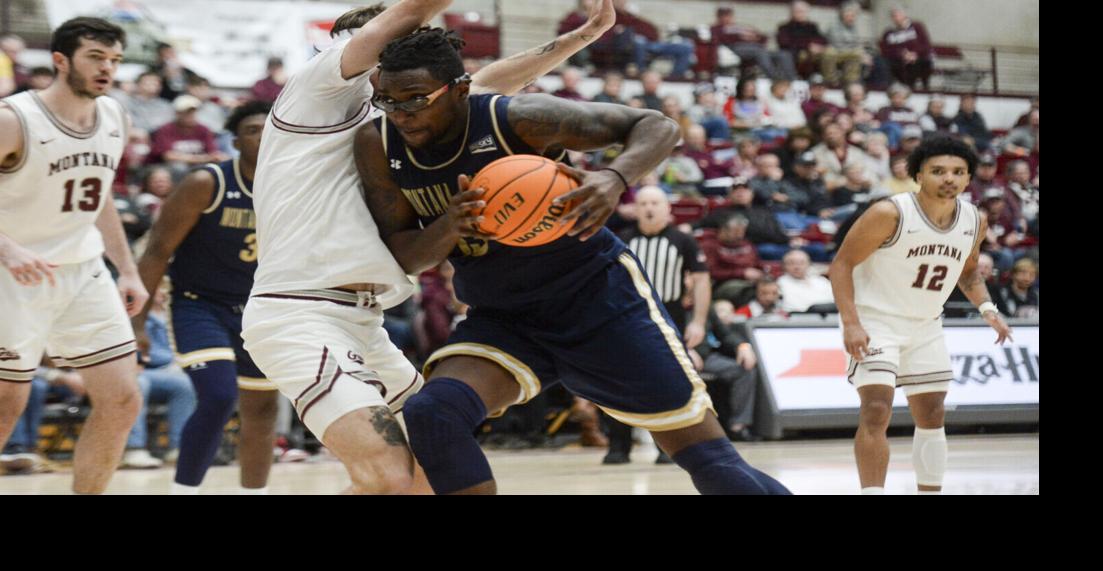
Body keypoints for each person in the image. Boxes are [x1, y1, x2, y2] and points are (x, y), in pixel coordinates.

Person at [352, 28, 790, 495]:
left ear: (460, 89)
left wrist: (613, 178)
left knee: (708, 460)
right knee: (432, 412)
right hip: (504, 317)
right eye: (388, 101)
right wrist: (449, 226)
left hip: (599, 302)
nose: (400, 113)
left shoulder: (519, 119)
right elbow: (402, 254)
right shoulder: (378, 145)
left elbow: (657, 126)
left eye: (415, 99)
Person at [241, 0, 618, 495]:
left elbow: (489, 82)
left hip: (363, 320)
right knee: (390, 475)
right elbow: (402, 17)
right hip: (299, 314)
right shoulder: (318, 89)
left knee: (429, 473)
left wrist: (582, 37)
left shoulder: (399, 112)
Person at [0, 17, 151, 494]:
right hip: (13, 274)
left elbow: (99, 195)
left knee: (123, 399)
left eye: (115, 61)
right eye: (96, 58)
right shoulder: (13, 119)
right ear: (60, 61)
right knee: (6, 401)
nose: (107, 69)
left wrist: (127, 269)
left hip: (83, 270)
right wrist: (7, 248)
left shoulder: (115, 117)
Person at [827, 133, 1011, 494]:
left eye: (958, 172)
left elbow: (968, 270)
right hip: (876, 321)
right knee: (877, 409)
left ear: (969, 178)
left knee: (932, 414)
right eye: (938, 171)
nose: (949, 179)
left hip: (926, 324)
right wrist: (850, 323)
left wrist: (988, 309)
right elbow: (841, 265)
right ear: (918, 175)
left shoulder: (975, 220)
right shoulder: (889, 212)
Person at [131, 100, 281, 494]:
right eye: (252, 129)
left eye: (270, 127)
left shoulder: (290, 189)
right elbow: (157, 252)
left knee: (263, 410)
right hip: (200, 305)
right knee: (217, 396)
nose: (263, 135)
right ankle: (184, 490)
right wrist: (137, 324)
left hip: (259, 311)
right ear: (233, 140)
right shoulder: (207, 183)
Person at [605, 186, 710, 464]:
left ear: (667, 208)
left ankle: (669, 449)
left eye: (655, 202)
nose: (649, 208)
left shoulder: (683, 240)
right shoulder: (622, 240)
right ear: (635, 209)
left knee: (666, 383)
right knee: (619, 384)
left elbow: (700, 281)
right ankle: (618, 447)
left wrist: (698, 321)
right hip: (625, 321)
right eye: (644, 203)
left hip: (669, 319)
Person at [122, 289, 198, 468]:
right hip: (142, 370)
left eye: (166, 288)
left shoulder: (172, 313)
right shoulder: (135, 316)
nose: (163, 292)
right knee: (139, 383)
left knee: (185, 384)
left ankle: (179, 448)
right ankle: (134, 449)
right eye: (158, 288)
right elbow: (146, 353)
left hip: (169, 372)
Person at [690, 306, 758, 441]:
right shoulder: (670, 306)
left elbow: (725, 334)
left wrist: (742, 346)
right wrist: (684, 349)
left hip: (706, 358)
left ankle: (738, 426)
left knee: (744, 369)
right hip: (676, 357)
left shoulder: (706, 307)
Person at [712, 6, 796, 81]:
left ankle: (791, 79)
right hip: (735, 49)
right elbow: (721, 39)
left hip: (757, 47)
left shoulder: (740, 26)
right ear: (719, 17)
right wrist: (741, 37)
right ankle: (774, 78)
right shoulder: (717, 28)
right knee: (759, 51)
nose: (727, 18)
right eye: (723, 15)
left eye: (729, 15)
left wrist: (755, 37)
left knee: (784, 54)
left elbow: (763, 38)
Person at [148, 94, 226, 171]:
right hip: (170, 168)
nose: (190, 115)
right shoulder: (166, 129)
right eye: (186, 112)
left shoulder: (203, 129)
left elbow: (213, 153)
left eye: (193, 112)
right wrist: (202, 159)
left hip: (198, 165)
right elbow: (168, 156)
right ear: (177, 113)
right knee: (178, 167)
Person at [879, 6, 933, 91]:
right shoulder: (889, 33)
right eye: (893, 16)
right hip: (897, 60)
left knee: (922, 62)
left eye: (898, 15)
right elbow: (885, 50)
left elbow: (926, 45)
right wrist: (902, 54)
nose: (896, 18)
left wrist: (914, 53)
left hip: (917, 58)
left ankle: (923, 88)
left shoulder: (917, 27)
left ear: (904, 15)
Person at [821, 2, 869, 86]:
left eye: (853, 16)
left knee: (858, 54)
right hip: (836, 51)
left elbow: (857, 43)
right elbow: (836, 43)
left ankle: (850, 81)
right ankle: (832, 81)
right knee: (829, 52)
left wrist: (863, 54)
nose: (851, 18)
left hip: (846, 52)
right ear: (842, 16)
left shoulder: (853, 27)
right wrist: (852, 49)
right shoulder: (834, 26)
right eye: (848, 16)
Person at [114, 70, 175, 135]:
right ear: (137, 85)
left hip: (159, 138)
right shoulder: (127, 102)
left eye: (156, 83)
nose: (152, 85)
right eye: (148, 82)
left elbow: (167, 124)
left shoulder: (166, 105)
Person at [776, 248, 833, 313]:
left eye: (801, 263)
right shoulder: (780, 283)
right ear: (784, 266)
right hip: (798, 319)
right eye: (792, 263)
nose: (797, 267)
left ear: (808, 264)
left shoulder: (822, 281)